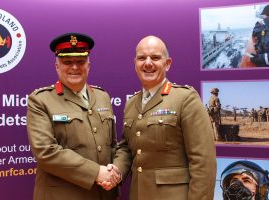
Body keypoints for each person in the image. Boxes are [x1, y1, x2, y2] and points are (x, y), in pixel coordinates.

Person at [102, 36, 217, 199]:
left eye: (155, 57)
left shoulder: (185, 99)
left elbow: (203, 163)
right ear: (135, 64)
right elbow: (128, 148)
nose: (148, 63)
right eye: (142, 58)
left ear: (167, 64)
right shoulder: (132, 103)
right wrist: (117, 170)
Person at [26, 32, 120, 200]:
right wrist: (96, 172)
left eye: (80, 62)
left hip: (104, 193)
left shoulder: (102, 96)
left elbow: (112, 145)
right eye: (67, 62)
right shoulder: (40, 100)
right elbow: (45, 152)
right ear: (57, 67)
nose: (75, 67)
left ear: (88, 65)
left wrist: (115, 171)